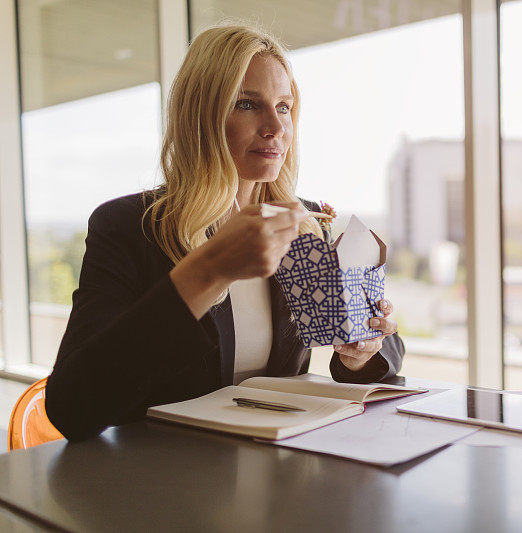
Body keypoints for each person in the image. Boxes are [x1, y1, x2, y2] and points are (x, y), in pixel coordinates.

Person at [45, 24, 404, 442]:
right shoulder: (129, 227)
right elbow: (71, 407)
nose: (275, 127)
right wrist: (209, 270)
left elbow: (381, 353)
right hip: (164, 481)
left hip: (282, 476)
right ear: (201, 115)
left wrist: (360, 354)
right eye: (247, 104)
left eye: (284, 107)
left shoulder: (304, 222)